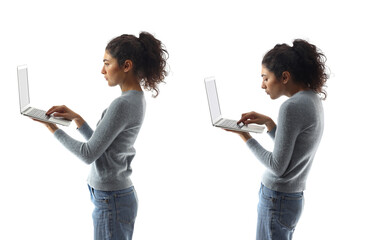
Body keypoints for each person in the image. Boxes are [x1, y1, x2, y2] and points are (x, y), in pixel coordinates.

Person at [33, 32, 168, 240]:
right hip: (113, 198)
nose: (102, 70)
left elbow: (88, 154)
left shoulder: (122, 104)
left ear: (126, 66)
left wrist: (53, 129)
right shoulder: (135, 99)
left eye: (107, 63)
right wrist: (78, 119)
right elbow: (102, 144)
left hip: (111, 200)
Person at [225, 39, 328, 240]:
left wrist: (245, 137)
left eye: (265, 78)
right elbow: (295, 148)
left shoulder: (290, 107)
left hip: (277, 199)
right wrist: (270, 124)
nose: (262, 85)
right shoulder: (312, 99)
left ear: (285, 77)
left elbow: (278, 165)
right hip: (291, 199)